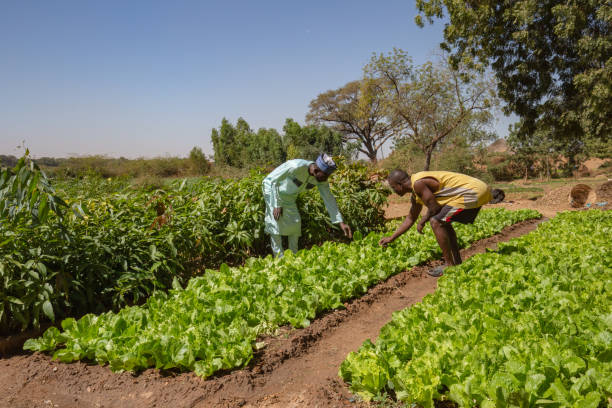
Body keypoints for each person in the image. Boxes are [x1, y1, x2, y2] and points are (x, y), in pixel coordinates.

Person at [379, 169, 493, 277]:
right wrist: (392, 237)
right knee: (443, 222)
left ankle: (449, 265)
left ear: (399, 185)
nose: (394, 191)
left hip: (473, 191)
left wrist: (422, 221)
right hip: (477, 190)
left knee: (436, 221)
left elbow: (434, 208)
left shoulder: (418, 184)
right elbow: (410, 218)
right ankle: (456, 262)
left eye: (393, 187)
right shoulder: (416, 193)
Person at [262, 153, 352, 257]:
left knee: (295, 226)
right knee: (275, 225)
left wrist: (340, 222)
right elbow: (273, 181)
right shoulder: (295, 166)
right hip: (271, 189)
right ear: (316, 171)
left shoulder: (320, 179)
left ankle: (293, 259)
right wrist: (276, 204)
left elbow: (329, 198)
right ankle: (279, 260)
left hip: (290, 197)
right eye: (326, 176)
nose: (326, 179)